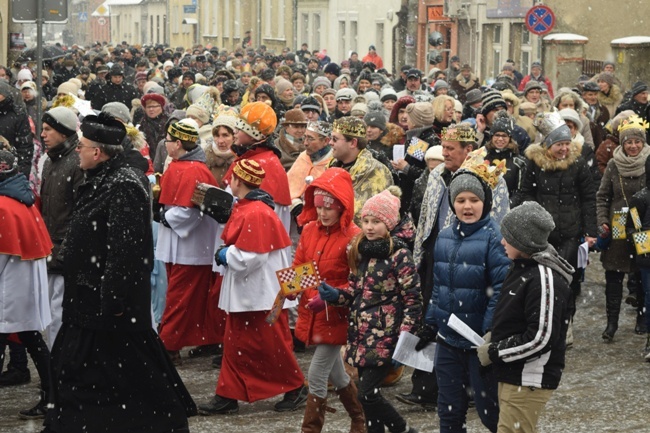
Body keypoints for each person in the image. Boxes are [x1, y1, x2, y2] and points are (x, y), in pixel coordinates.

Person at [44, 112, 196, 433]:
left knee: (121, 372)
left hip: (106, 303)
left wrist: (112, 297)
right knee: (93, 371)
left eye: (82, 147)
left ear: (97, 152)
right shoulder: (101, 178)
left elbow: (124, 249)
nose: (77, 152)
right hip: (88, 298)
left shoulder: (123, 185)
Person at [198, 159, 307, 415]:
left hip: (260, 294)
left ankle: (295, 386)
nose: (227, 181)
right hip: (257, 293)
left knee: (268, 345)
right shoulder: (252, 208)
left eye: (231, 177)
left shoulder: (255, 212)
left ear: (238, 180)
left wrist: (226, 255)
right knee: (239, 343)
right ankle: (228, 394)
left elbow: (252, 257)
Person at [415, 152, 510, 433]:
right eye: (460, 200)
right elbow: (439, 286)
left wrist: (486, 333)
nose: (467, 206)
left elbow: (501, 290)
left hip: (479, 344)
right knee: (449, 411)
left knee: (490, 413)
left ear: (486, 202)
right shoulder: (444, 236)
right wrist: (431, 322)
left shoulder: (495, 237)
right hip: (448, 339)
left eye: (474, 200)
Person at [318, 188, 422, 433]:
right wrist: (336, 295)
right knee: (369, 399)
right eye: (365, 221)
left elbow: (413, 300)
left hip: (387, 335)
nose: (369, 227)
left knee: (367, 395)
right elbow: (355, 292)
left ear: (388, 224)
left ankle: (402, 429)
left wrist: (406, 340)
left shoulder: (399, 255)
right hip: (361, 336)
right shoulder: (359, 252)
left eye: (376, 222)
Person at [477, 201, 573, 433]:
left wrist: (495, 351)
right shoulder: (522, 266)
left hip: (528, 378)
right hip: (515, 374)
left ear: (524, 242)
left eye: (507, 237)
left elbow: (541, 337)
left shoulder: (543, 278)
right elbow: (516, 316)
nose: (502, 242)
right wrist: (496, 335)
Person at [515, 111, 597, 343]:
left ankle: (565, 322)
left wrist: (590, 232)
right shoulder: (535, 164)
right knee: (542, 280)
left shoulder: (578, 164)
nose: (564, 149)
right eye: (559, 144)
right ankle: (543, 322)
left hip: (571, 232)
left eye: (566, 144)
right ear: (548, 145)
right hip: (543, 235)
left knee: (566, 280)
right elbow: (526, 193)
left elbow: (589, 197)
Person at [294, 168, 364, 432]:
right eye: (318, 207)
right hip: (313, 312)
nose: (322, 213)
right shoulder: (310, 230)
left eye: (329, 208)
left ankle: (310, 429)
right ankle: (359, 417)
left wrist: (328, 299)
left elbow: (358, 282)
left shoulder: (354, 237)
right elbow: (301, 265)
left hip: (337, 316)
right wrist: (288, 290)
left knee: (316, 373)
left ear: (342, 208)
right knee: (337, 373)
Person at [156, 119, 221, 364]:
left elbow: (192, 211)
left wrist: (164, 216)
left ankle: (169, 343)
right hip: (180, 244)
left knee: (180, 297)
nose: (166, 144)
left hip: (191, 246)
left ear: (180, 144)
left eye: (170, 140)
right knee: (189, 296)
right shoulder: (180, 165)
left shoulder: (193, 170)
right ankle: (206, 338)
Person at [0, 147, 53, 419]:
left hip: (10, 288)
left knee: (26, 338)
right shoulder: (23, 198)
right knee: (32, 338)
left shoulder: (3, 204)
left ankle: (52, 396)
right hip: (26, 285)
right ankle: (51, 395)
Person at [596, 114, 650, 340]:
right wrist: (602, 222)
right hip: (618, 220)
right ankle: (611, 324)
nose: (633, 146)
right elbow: (602, 196)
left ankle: (642, 318)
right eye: (629, 141)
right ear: (622, 143)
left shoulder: (649, 162)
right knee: (614, 273)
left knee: (642, 272)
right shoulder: (613, 164)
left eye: (637, 141)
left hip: (641, 222)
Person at [40, 107, 85, 348]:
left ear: (63, 132)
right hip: (50, 249)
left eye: (48, 129)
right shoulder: (50, 161)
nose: (43, 134)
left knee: (60, 314)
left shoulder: (77, 163)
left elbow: (80, 212)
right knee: (50, 313)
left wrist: (67, 248)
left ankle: (60, 368)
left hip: (64, 251)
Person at [328, 116, 393, 223]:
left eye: (335, 139)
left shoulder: (375, 171)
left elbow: (368, 218)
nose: (330, 142)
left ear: (353, 143)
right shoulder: (331, 166)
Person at [484, 111, 526, 202]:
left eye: (504, 136)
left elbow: (520, 192)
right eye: (497, 135)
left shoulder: (519, 163)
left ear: (510, 138)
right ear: (491, 137)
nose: (500, 139)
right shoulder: (483, 158)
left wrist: (506, 206)